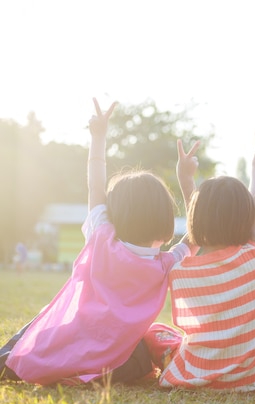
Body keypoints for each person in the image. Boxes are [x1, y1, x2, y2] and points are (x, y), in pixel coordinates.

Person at [0, 98, 198, 385]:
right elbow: (197, 231)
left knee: (36, 332)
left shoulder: (102, 237)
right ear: (166, 218)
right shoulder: (167, 264)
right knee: (140, 354)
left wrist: (99, 137)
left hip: (74, 338)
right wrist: (186, 179)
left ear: (117, 213)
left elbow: (95, 185)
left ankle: (10, 362)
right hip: (114, 358)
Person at [145, 133, 255, 391]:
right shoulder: (253, 255)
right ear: (247, 218)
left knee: (154, 332)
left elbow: (197, 228)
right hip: (253, 378)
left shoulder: (180, 269)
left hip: (196, 375)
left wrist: (185, 178)